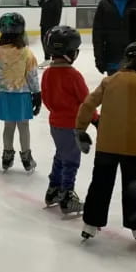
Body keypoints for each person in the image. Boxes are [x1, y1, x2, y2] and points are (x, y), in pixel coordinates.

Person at [76, 41, 136, 244]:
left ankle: (90, 225)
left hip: (106, 146)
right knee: (133, 185)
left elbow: (88, 104)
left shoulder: (109, 81)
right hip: (133, 147)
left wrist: (80, 129)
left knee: (100, 184)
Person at [41, 26, 93, 215]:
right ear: (72, 52)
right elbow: (86, 102)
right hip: (72, 125)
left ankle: (54, 189)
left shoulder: (47, 73)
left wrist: (57, 112)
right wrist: (95, 120)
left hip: (55, 124)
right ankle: (66, 196)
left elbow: (46, 99)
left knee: (61, 155)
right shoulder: (73, 75)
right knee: (71, 161)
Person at [0, 12, 41, 172]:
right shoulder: (26, 53)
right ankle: (26, 157)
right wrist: (37, 94)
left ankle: (7, 156)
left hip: (4, 94)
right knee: (23, 126)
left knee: (8, 126)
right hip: (22, 95)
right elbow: (32, 75)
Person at [37, 0, 64, 66]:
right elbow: (43, 4)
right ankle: (47, 58)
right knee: (44, 40)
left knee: (50, 41)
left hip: (51, 23)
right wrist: (43, 1)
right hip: (45, 21)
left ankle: (51, 58)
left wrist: (45, 2)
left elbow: (51, 7)